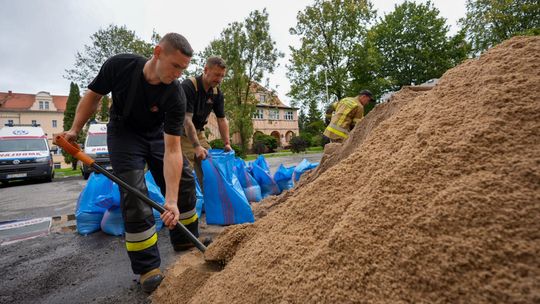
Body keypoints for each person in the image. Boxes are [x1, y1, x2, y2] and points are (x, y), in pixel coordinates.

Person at [55, 33, 204, 294]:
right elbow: (93, 96)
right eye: (175, 66)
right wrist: (74, 129)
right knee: (134, 195)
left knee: (184, 182)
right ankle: (148, 267)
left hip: (156, 135)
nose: (179, 74)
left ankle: (185, 240)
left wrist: (170, 200)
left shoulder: (175, 94)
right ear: (157, 52)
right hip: (123, 134)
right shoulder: (120, 65)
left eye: (184, 69)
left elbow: (172, 150)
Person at [181, 56, 231, 188]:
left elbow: (221, 119)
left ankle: (209, 203)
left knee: (211, 167)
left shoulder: (216, 93)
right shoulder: (189, 86)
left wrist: (227, 143)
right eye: (216, 75)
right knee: (185, 172)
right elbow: (186, 120)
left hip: (199, 133)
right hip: (180, 134)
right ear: (206, 70)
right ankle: (186, 205)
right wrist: (196, 147)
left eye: (222, 76)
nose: (219, 80)